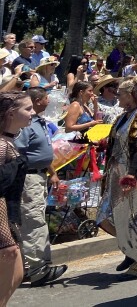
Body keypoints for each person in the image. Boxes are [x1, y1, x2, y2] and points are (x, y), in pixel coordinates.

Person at [96, 78, 137, 277]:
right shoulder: (123, 117)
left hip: (135, 172)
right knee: (107, 215)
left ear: (131, 95)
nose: (116, 95)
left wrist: (132, 174)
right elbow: (116, 142)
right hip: (116, 170)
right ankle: (130, 250)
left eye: (120, 93)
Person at [13, 88, 66, 287]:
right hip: (28, 178)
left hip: (39, 175)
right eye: (45, 98)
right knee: (33, 221)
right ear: (36, 101)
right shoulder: (25, 125)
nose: (48, 100)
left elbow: (41, 151)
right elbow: (19, 152)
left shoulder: (39, 121)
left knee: (34, 219)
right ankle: (38, 270)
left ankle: (29, 266)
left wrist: (52, 171)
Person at [0, 92, 33, 306]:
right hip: (2, 213)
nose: (32, 113)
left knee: (18, 274)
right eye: (27, 109)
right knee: (11, 259)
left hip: (10, 211)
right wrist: (4, 231)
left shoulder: (8, 142)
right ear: (12, 113)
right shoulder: (2, 146)